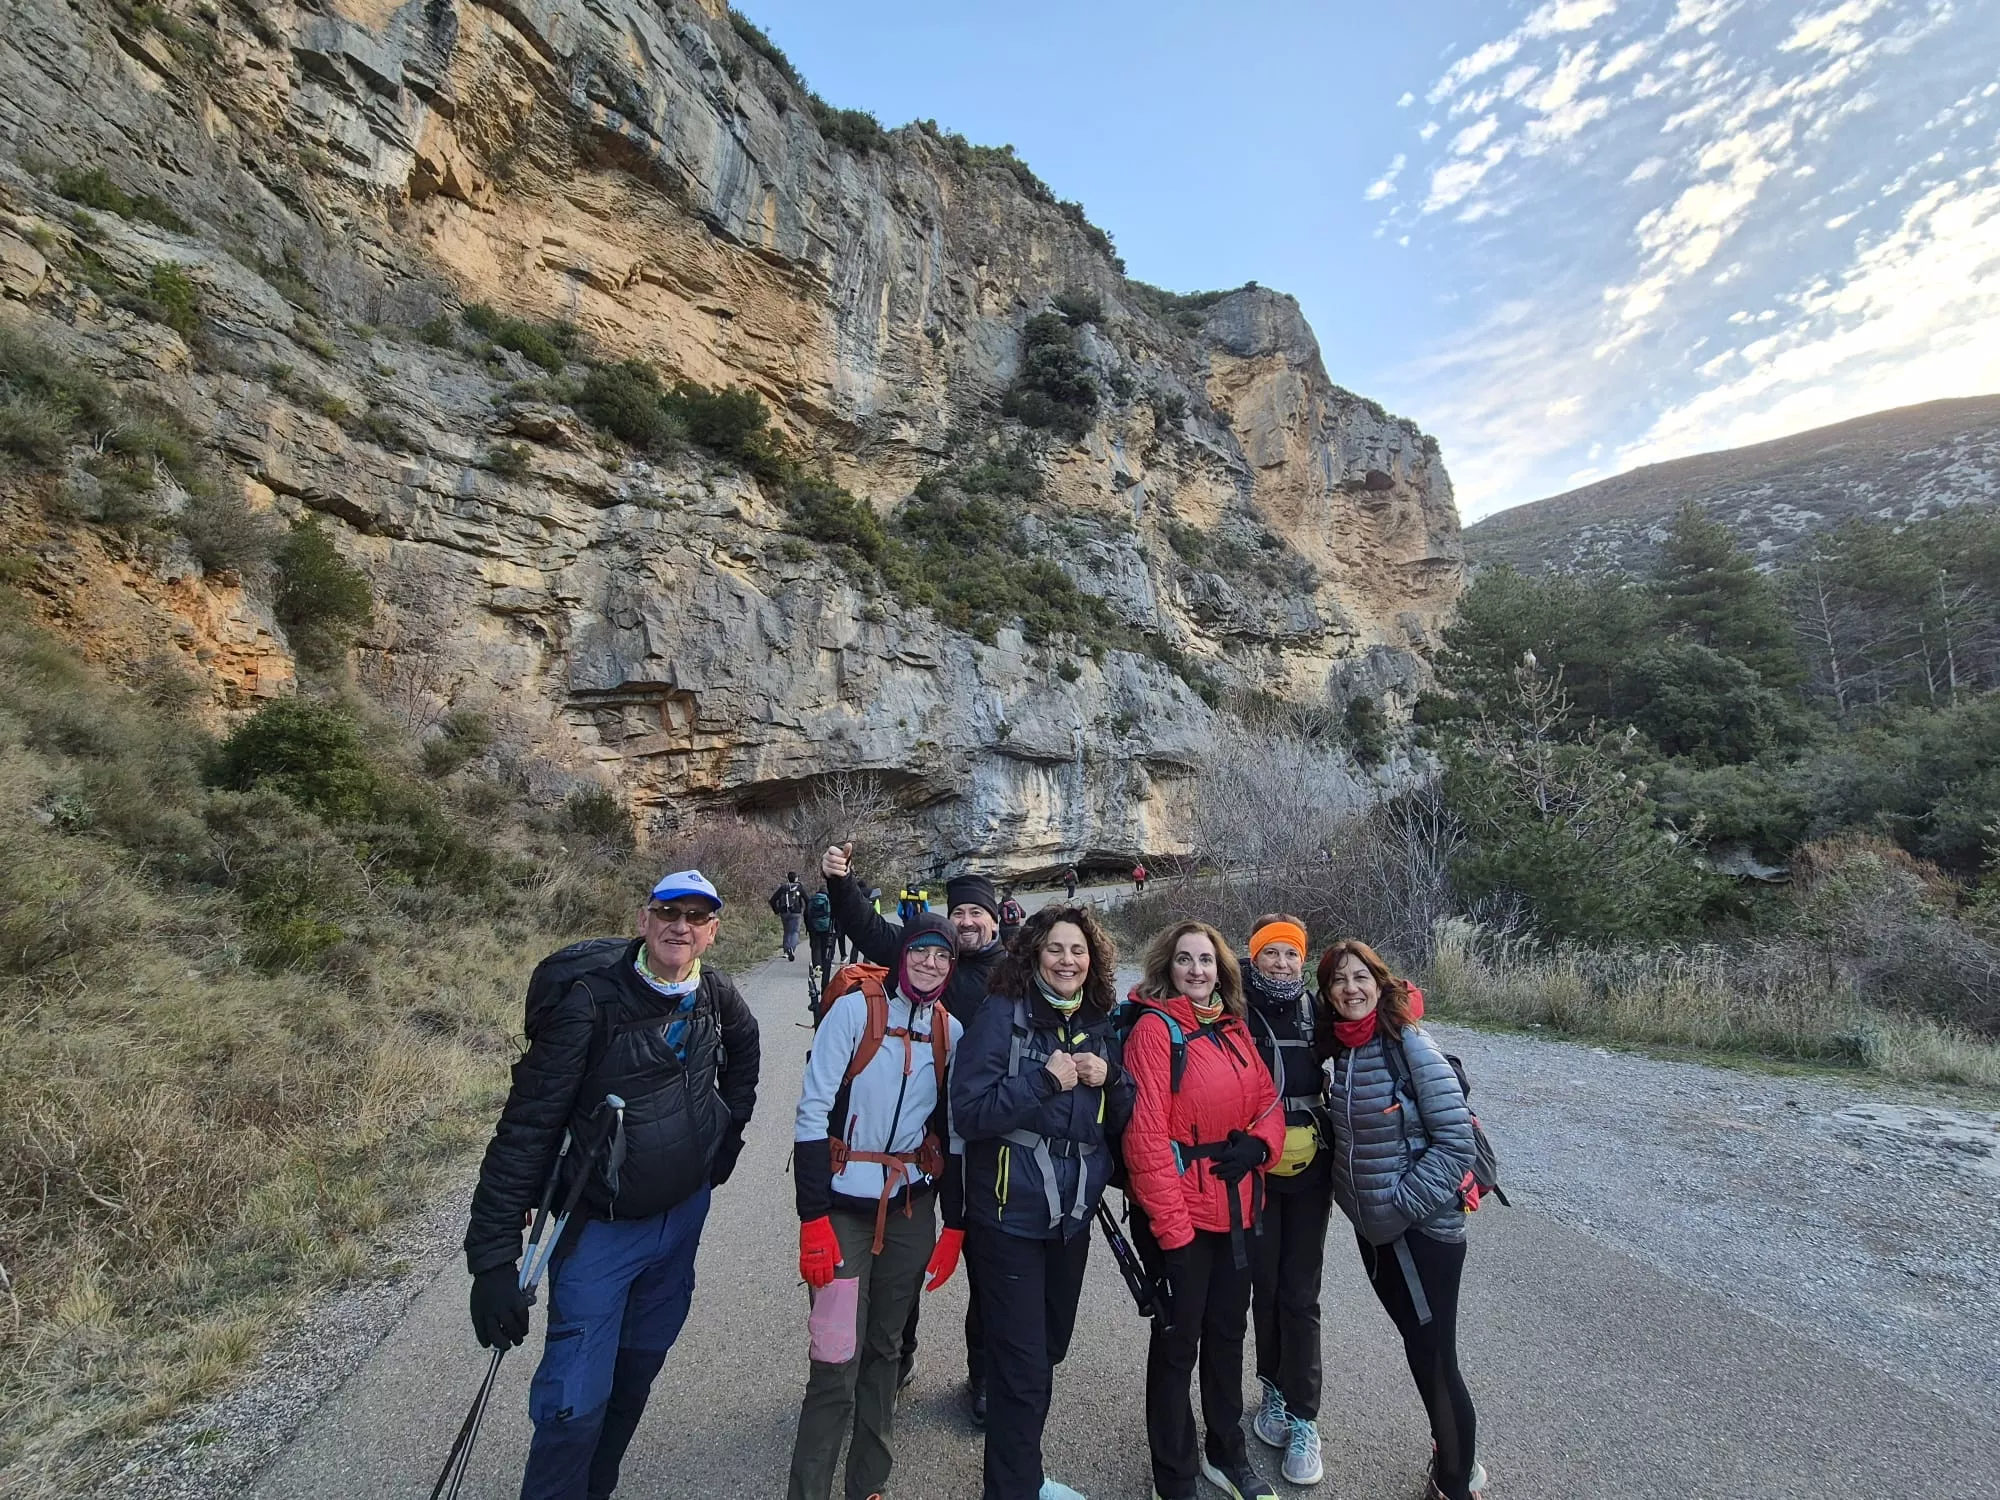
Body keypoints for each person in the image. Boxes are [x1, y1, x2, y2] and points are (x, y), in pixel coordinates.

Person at [463, 870, 760, 1500]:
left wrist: (725, 1140)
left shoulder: (716, 994)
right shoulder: (590, 1004)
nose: (681, 926)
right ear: (644, 920)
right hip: (600, 1231)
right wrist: (492, 1259)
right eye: (668, 912)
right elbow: (527, 1127)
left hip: (681, 1222)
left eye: (696, 916)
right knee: (572, 1405)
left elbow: (746, 1052)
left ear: (712, 931)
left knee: (633, 1378)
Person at [952, 906, 1134, 1500]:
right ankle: (1014, 1489)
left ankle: (1023, 1477)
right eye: (1055, 948)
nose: (1067, 960)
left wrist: (1113, 1079)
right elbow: (968, 1113)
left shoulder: (1098, 1021)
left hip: (1070, 1219)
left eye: (1078, 950)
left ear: (1092, 959)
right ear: (1033, 954)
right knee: (1022, 1371)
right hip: (1009, 1218)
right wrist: (1043, 1081)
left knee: (1048, 1348)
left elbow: (1123, 1117)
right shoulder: (1000, 1015)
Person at [823, 843, 1009, 1421]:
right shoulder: (928, 959)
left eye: (977, 913)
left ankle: (984, 1375)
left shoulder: (1014, 972)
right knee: (901, 1262)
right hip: (922, 1140)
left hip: (989, 1138)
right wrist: (841, 882)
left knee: (987, 1265)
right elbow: (869, 929)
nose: (967, 922)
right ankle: (895, 1356)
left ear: (995, 919)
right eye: (959, 913)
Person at [789, 914, 967, 1500]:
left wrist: (954, 1224)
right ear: (901, 955)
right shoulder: (853, 1012)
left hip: (911, 1209)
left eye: (942, 956)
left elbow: (954, 1132)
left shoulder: (950, 1032)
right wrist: (812, 1218)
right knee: (835, 1358)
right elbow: (812, 1113)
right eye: (921, 951)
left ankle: (868, 1483)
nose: (930, 964)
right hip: (842, 1210)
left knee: (886, 1351)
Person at [1316, 940, 1485, 1500]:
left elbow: (1455, 1141)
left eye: (1360, 977)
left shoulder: (1407, 1042)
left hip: (1420, 1232)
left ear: (1379, 982)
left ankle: (1456, 1483)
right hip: (1380, 1235)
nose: (1350, 989)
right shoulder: (1347, 1048)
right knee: (1420, 1348)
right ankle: (1451, 1451)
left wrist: (1399, 1206)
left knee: (1436, 1359)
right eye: (1338, 981)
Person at [1122, 921, 1285, 1500]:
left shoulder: (1232, 1027)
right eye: (1186, 960)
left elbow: (1267, 1099)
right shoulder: (1153, 1032)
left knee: (1226, 1335)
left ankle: (1226, 1451)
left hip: (1236, 1211)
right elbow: (1145, 1141)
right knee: (1177, 1343)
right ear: (1167, 968)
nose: (1197, 970)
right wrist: (1173, 1233)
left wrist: (1261, 1146)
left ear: (1222, 970)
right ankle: (1174, 1473)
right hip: (1181, 1218)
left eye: (1207, 960)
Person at [1241, 916, 1332, 1486]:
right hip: (1255, 1168)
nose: (1280, 963)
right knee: (1266, 1286)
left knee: (1301, 1292)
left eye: (1290, 954)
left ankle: (1303, 1415)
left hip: (1310, 1170)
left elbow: (1372, 1029)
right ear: (1253, 958)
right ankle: (1272, 1389)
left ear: (1303, 959)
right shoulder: (1234, 1006)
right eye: (1270, 953)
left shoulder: (1318, 1010)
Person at [772, 872, 807, 961]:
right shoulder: (799, 887)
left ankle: (786, 951)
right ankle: (791, 948)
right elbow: (807, 899)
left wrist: (777, 910)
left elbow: (772, 900)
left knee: (787, 931)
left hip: (784, 912)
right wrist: (806, 911)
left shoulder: (783, 887)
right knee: (795, 931)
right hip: (796, 913)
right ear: (796, 878)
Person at [806, 885, 836, 979]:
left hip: (814, 926)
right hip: (826, 926)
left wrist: (808, 927)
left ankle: (817, 966)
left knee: (815, 946)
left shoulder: (812, 900)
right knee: (824, 946)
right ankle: (823, 965)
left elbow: (806, 914)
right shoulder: (829, 900)